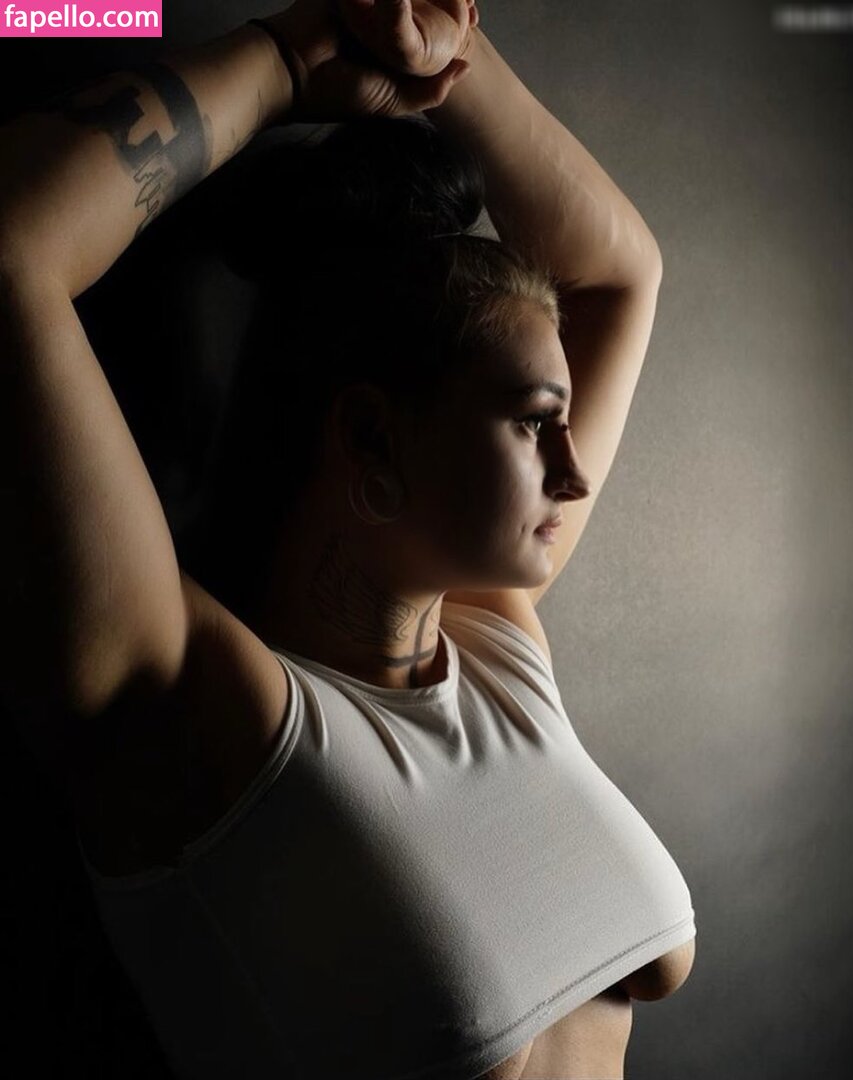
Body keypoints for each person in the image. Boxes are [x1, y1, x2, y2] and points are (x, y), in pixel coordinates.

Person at [0, 1, 696, 1077]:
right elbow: (13, 249)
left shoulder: (498, 648)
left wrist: (437, 48)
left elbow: (620, 273)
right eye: (532, 423)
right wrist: (291, 54)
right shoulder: (200, 711)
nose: (575, 471)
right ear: (372, 439)